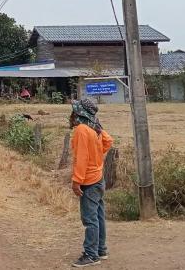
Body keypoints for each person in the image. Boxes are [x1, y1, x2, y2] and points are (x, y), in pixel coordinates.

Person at [69, 98, 113, 267]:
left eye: (74, 111)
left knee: (90, 219)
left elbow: (81, 158)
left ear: (79, 113)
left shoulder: (81, 129)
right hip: (99, 178)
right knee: (98, 216)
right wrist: (97, 152)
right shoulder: (94, 127)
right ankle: (101, 249)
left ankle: (91, 255)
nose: (71, 114)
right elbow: (108, 141)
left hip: (88, 181)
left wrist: (76, 181)